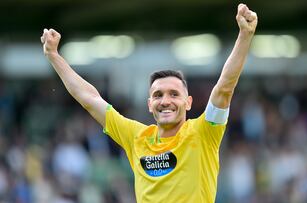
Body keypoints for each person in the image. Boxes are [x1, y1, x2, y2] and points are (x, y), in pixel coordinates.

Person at [41, 3, 257, 203]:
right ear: (149, 104)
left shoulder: (204, 132)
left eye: (174, 94)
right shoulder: (136, 137)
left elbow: (224, 87)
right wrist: (54, 56)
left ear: (188, 102)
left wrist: (245, 35)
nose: (165, 101)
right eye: (158, 95)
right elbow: (90, 99)